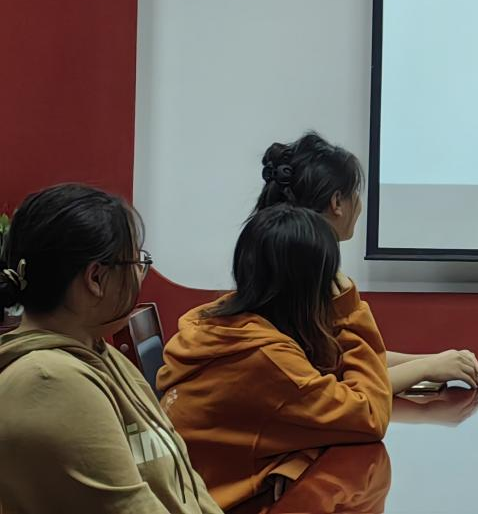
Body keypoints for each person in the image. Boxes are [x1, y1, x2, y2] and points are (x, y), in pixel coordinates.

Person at [159, 204, 423, 510]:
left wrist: (297, 458)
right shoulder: (264, 358)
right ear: (311, 288)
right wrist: (349, 313)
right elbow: (369, 416)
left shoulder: (220, 324)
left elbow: (306, 400)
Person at [0, 184, 220, 514]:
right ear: (96, 278)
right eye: (137, 262)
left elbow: (187, 485)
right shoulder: (49, 382)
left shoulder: (100, 351)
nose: (140, 274)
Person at [253, 131, 478, 389]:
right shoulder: (306, 273)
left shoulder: (277, 256)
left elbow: (352, 359)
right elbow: (343, 391)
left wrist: (434, 361)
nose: (360, 205)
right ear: (337, 202)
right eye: (355, 193)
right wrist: (426, 368)